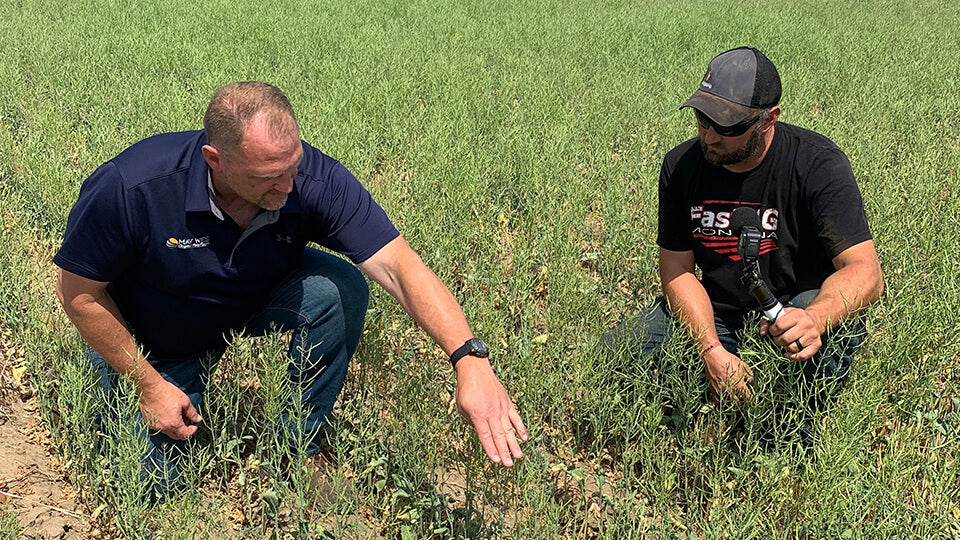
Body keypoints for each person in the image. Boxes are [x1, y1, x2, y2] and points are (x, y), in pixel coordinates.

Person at [54, 81, 527, 495]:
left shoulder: (309, 179)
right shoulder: (134, 187)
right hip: (155, 341)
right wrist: (146, 382)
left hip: (247, 300)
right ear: (215, 160)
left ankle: (297, 446)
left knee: (339, 287)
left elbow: (400, 265)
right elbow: (78, 293)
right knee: (147, 485)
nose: (288, 185)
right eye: (268, 177)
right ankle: (127, 377)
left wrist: (469, 358)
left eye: (293, 166)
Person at [602, 47, 883, 433]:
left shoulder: (817, 163)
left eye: (729, 126)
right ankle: (698, 410)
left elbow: (866, 272)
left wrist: (814, 319)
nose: (710, 135)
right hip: (717, 309)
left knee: (831, 333)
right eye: (703, 118)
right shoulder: (681, 166)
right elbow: (677, 271)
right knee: (612, 358)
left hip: (792, 307)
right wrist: (711, 349)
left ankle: (786, 439)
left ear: (769, 119)